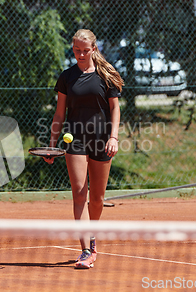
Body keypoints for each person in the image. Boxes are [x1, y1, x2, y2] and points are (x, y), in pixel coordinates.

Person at [44, 29, 123, 269]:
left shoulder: (106, 75)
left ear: (94, 49)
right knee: (79, 193)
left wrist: (114, 137)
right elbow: (59, 113)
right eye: (76, 50)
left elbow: (115, 109)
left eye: (84, 50)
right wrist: (51, 145)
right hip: (75, 140)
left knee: (97, 199)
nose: (80, 54)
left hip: (102, 140)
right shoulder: (67, 77)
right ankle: (87, 249)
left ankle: (92, 237)